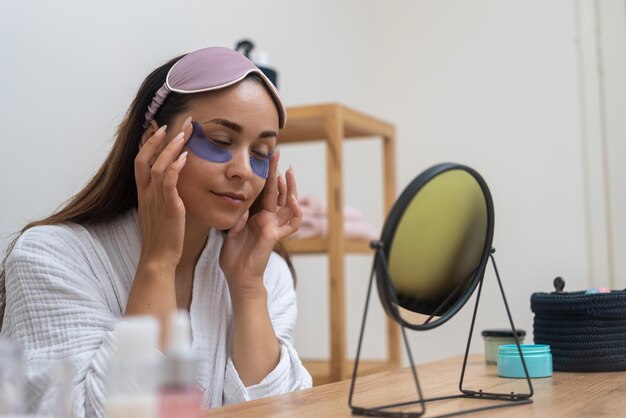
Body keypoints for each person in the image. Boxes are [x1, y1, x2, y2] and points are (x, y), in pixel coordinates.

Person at [0, 46, 312, 417]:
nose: (243, 170)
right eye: (221, 142)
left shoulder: (267, 275)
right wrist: (158, 264)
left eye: (261, 151)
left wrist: (247, 290)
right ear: (154, 140)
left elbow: (282, 412)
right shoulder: (50, 258)